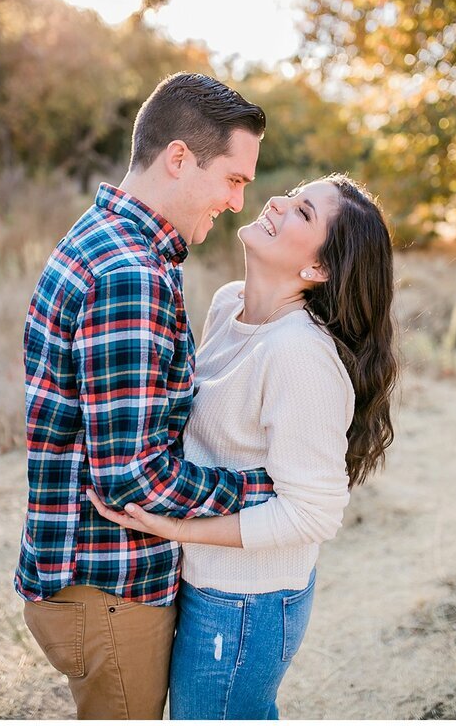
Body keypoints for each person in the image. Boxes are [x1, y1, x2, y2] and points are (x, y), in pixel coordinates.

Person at [16, 72, 279, 720]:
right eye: (234, 179)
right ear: (180, 158)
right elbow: (132, 480)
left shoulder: (105, 238)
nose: (238, 203)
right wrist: (268, 487)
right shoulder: (132, 274)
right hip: (111, 590)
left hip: (92, 580)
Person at [89, 174, 398, 719]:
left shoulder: (299, 355)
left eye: (303, 213)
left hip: (247, 602)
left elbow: (313, 514)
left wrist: (179, 529)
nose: (278, 202)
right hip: (199, 577)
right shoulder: (230, 305)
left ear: (318, 270)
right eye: (294, 195)